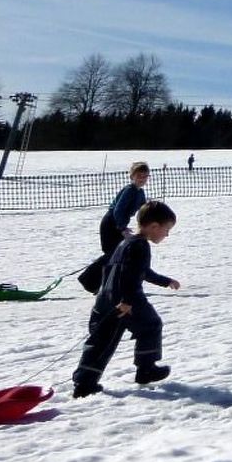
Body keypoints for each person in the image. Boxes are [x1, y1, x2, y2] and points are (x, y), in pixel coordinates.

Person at [73, 200, 181, 398]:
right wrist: (126, 301)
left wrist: (166, 281)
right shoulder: (140, 245)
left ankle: (84, 384)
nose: (167, 235)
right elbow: (129, 275)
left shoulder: (126, 242)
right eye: (166, 230)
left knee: (101, 341)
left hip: (105, 300)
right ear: (154, 226)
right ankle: (146, 369)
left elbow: (142, 272)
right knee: (152, 325)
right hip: (127, 300)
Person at [77, 163, 150, 294]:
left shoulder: (140, 192)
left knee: (118, 255)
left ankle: (101, 284)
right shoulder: (129, 190)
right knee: (113, 255)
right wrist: (121, 228)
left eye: (145, 176)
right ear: (132, 176)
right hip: (110, 224)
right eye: (139, 176)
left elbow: (143, 210)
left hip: (118, 225)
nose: (142, 179)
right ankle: (88, 280)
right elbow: (118, 210)